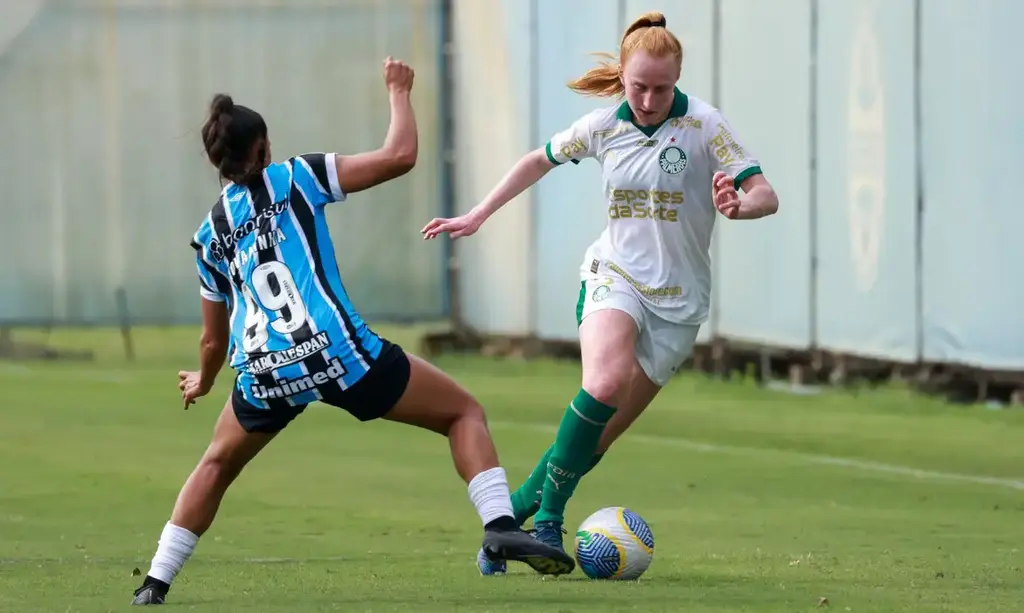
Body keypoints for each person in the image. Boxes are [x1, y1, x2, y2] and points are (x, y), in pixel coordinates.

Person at [130, 57, 574, 605]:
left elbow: (212, 339)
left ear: (217, 162)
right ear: (265, 147)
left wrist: (202, 379)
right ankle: (501, 525)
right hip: (338, 352)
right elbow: (399, 157)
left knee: (216, 463)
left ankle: (155, 583)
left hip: (265, 369)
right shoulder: (294, 177)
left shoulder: (209, 234)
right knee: (463, 413)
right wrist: (398, 91)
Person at [421, 12, 779, 575]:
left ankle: (506, 527)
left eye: (661, 88)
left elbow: (765, 193)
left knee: (597, 437)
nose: (647, 98)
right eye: (638, 86)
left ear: (678, 78)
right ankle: (549, 525)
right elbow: (537, 160)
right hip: (614, 275)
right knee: (604, 382)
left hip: (680, 303)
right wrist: (477, 214)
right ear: (624, 75)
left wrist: (740, 204)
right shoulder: (602, 125)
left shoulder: (706, 126)